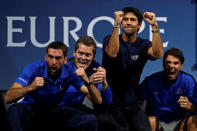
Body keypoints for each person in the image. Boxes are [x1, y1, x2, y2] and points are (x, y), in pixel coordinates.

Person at [5, 41, 97, 131]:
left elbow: (91, 95)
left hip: (54, 112)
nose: (53, 62)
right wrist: (30, 87)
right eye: (50, 57)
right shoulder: (34, 68)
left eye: (58, 58)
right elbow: (8, 97)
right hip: (32, 109)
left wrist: (88, 81)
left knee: (89, 119)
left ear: (65, 60)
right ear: (45, 57)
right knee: (15, 111)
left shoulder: (70, 71)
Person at [102, 6, 164, 130]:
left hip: (133, 103)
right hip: (111, 101)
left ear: (139, 25)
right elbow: (113, 52)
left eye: (132, 20)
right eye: (125, 19)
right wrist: (116, 24)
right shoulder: (110, 39)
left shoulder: (143, 44)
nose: (128, 22)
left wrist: (154, 26)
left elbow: (158, 54)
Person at [51, 36, 112, 131]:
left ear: (93, 56)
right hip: (55, 108)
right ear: (74, 53)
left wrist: (105, 84)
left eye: (88, 55)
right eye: (80, 53)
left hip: (75, 109)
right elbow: (60, 95)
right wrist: (88, 82)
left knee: (106, 121)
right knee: (90, 120)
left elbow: (105, 101)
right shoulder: (63, 65)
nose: (83, 58)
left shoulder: (95, 68)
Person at [139, 48, 197, 131]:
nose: (171, 66)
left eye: (175, 63)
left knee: (194, 120)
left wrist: (192, 107)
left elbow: (195, 107)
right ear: (163, 64)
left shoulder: (188, 81)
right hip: (157, 124)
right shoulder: (150, 81)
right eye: (168, 62)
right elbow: (136, 105)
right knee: (149, 121)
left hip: (179, 124)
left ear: (181, 65)